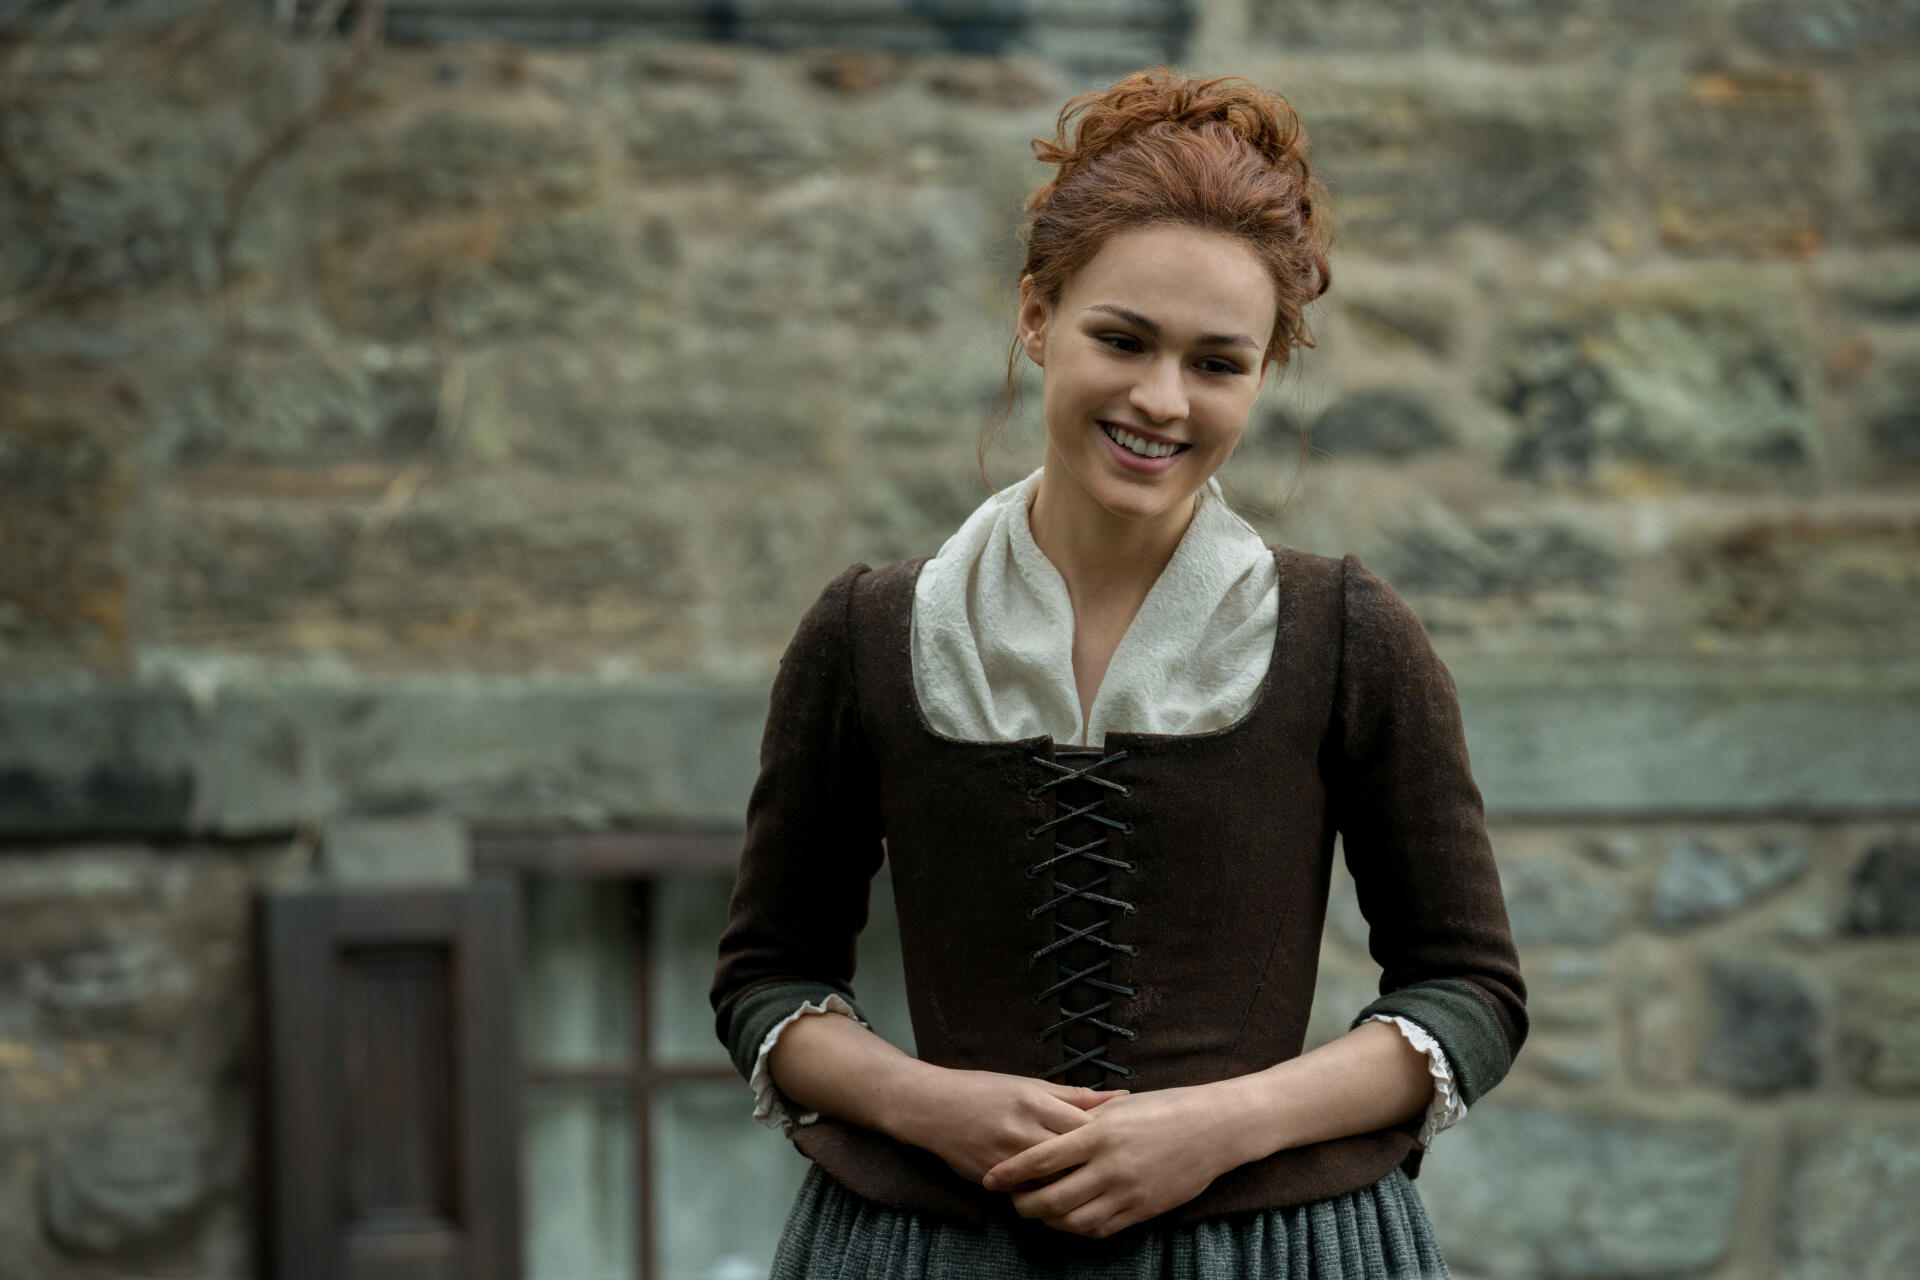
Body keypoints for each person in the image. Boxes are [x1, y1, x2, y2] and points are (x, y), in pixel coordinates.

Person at [710, 67, 1527, 1279]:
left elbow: (1468, 990)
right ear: (1037, 317)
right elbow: (767, 977)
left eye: (1218, 362)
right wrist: (930, 1101)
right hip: (932, 1250)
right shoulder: (873, 632)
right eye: (1123, 339)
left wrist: (1222, 1123)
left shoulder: (1344, 633)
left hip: (1274, 1253)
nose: (1161, 398)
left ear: (1266, 371)